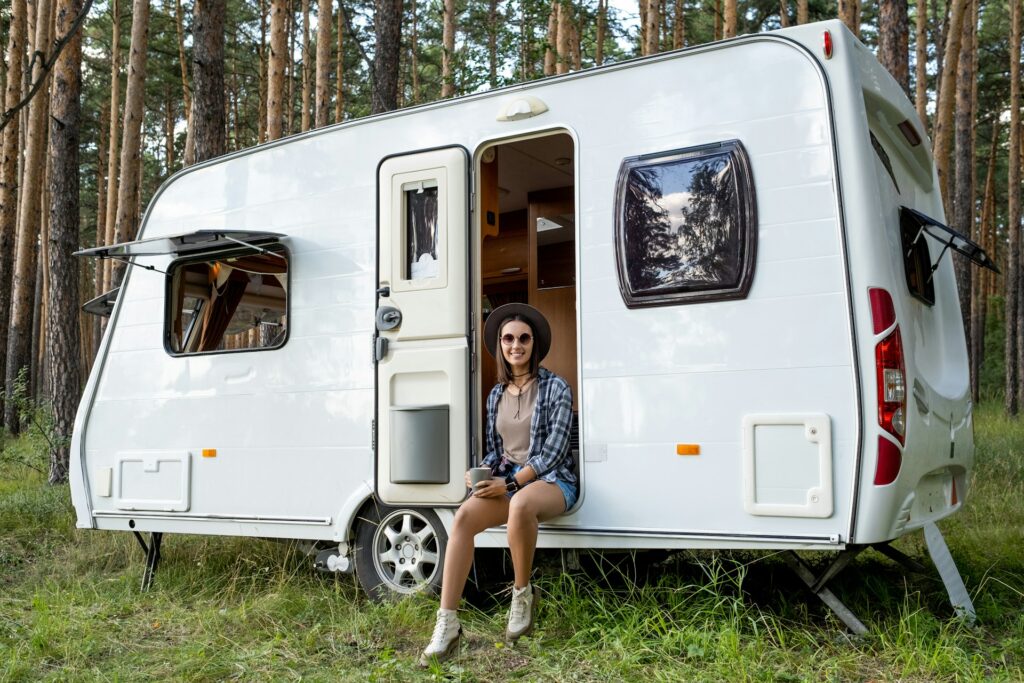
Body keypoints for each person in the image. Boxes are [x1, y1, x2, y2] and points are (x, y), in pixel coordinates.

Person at [420, 303, 578, 666]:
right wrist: (481, 472)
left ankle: (522, 594)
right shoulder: (495, 395)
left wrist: (508, 485)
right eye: (508, 338)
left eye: (523, 338)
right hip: (509, 481)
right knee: (463, 518)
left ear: (533, 344)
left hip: (552, 482)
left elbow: (553, 453)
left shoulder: (556, 387)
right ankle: (448, 624)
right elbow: (496, 451)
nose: (515, 345)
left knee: (522, 505)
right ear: (500, 346)